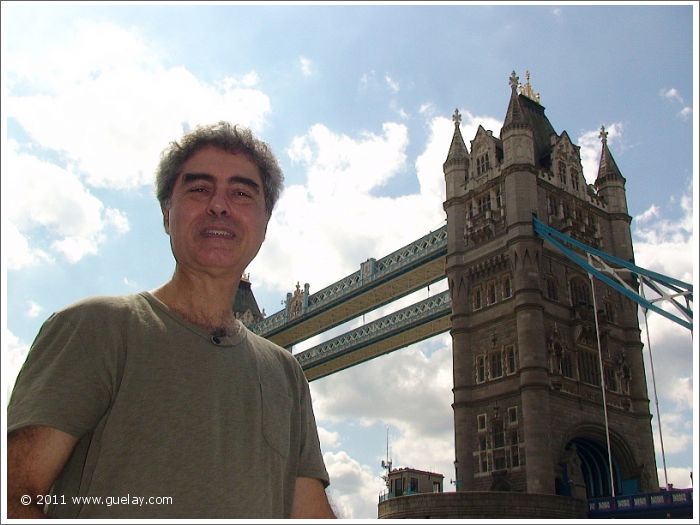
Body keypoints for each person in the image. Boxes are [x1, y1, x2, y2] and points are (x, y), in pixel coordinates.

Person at [7, 122, 336, 519]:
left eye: (242, 193)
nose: (220, 205)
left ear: (266, 223)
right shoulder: (94, 328)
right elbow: (16, 494)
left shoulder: (286, 374)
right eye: (199, 189)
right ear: (167, 214)